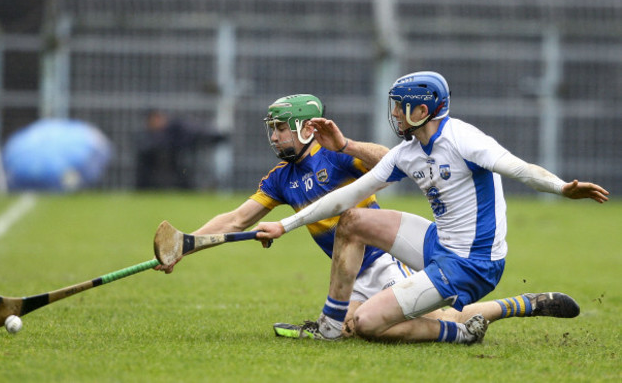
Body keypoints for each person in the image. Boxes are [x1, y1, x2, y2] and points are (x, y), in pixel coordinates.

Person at [157, 93, 582, 342]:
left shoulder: (339, 158)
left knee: (398, 326)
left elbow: (394, 163)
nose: (273, 137)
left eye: (281, 128)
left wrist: (347, 145)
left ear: (306, 128)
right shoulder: (280, 180)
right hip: (349, 275)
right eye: (271, 129)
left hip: (382, 263)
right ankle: (330, 325)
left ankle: (500, 311)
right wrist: (186, 244)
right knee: (353, 331)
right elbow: (236, 219)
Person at [256, 72, 609, 343]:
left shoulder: (464, 139)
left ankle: (469, 329)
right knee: (352, 220)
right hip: (439, 244)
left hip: (473, 264)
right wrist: (285, 225)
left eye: (398, 106)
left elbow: (519, 168)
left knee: (365, 324)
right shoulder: (407, 152)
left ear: (421, 110)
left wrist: (562, 188)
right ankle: (329, 328)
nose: (393, 113)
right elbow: (345, 197)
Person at [135, 110, 227, 189]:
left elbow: (195, 132)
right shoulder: (149, 135)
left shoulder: (176, 127)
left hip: (183, 158)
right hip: (168, 164)